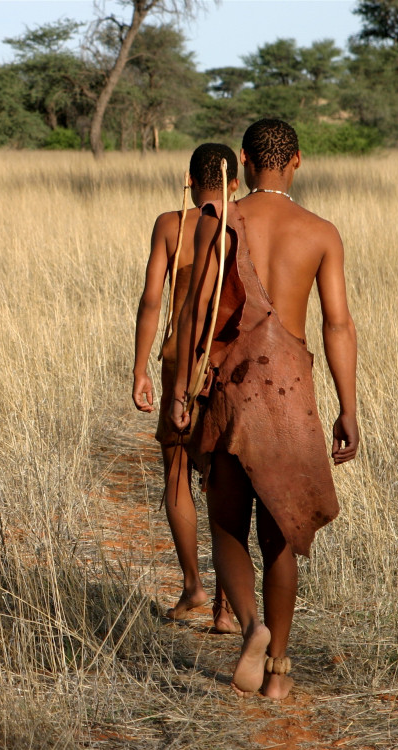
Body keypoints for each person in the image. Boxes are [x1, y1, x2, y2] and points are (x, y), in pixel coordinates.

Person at [171, 119, 358, 700]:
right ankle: (278, 669)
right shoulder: (322, 233)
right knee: (281, 533)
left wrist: (181, 391)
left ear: (244, 163)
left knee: (228, 522)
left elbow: (197, 315)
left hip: (230, 384)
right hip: (292, 391)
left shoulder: (221, 222)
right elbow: (337, 324)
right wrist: (348, 408)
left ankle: (251, 626)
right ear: (297, 161)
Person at [132, 143, 241, 634]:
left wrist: (140, 369)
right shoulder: (246, 223)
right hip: (229, 364)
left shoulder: (171, 224)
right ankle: (224, 606)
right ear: (234, 183)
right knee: (225, 482)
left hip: (180, 361)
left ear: (189, 180)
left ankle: (194, 584)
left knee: (177, 469)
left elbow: (152, 300)